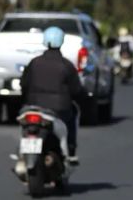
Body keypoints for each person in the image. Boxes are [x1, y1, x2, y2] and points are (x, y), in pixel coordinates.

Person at [20, 26, 86, 165]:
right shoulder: (66, 65)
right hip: (59, 111)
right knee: (73, 116)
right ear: (61, 42)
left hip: (33, 106)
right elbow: (76, 90)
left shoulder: (34, 63)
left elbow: (23, 84)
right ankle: (71, 152)